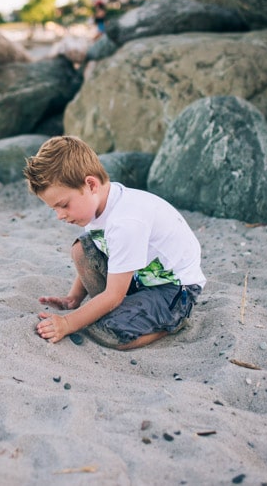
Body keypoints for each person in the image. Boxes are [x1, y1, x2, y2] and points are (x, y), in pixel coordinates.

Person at [23, 136, 206, 350]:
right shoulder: (99, 202)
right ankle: (121, 308)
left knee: (110, 333)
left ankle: (172, 323)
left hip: (172, 289)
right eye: (54, 209)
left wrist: (67, 323)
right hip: (138, 276)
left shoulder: (126, 221)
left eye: (63, 205)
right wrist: (74, 299)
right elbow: (103, 249)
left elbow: (113, 295)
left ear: (90, 184)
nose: (60, 216)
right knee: (82, 249)